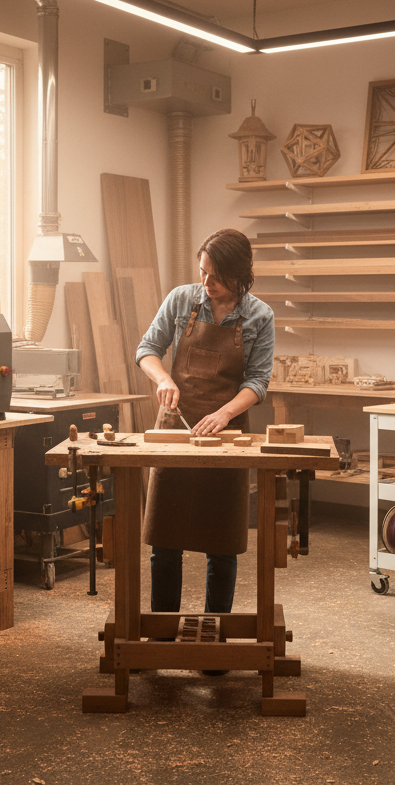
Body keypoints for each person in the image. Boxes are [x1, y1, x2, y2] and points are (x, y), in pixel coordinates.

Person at [135, 228, 274, 619]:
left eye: (216, 276)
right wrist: (164, 379)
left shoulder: (260, 316)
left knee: (223, 542)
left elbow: (258, 381)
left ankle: (217, 633)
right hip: (176, 426)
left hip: (227, 434)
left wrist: (225, 413)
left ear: (239, 275)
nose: (206, 283)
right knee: (164, 541)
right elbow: (147, 349)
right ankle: (162, 632)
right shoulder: (182, 300)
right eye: (202, 273)